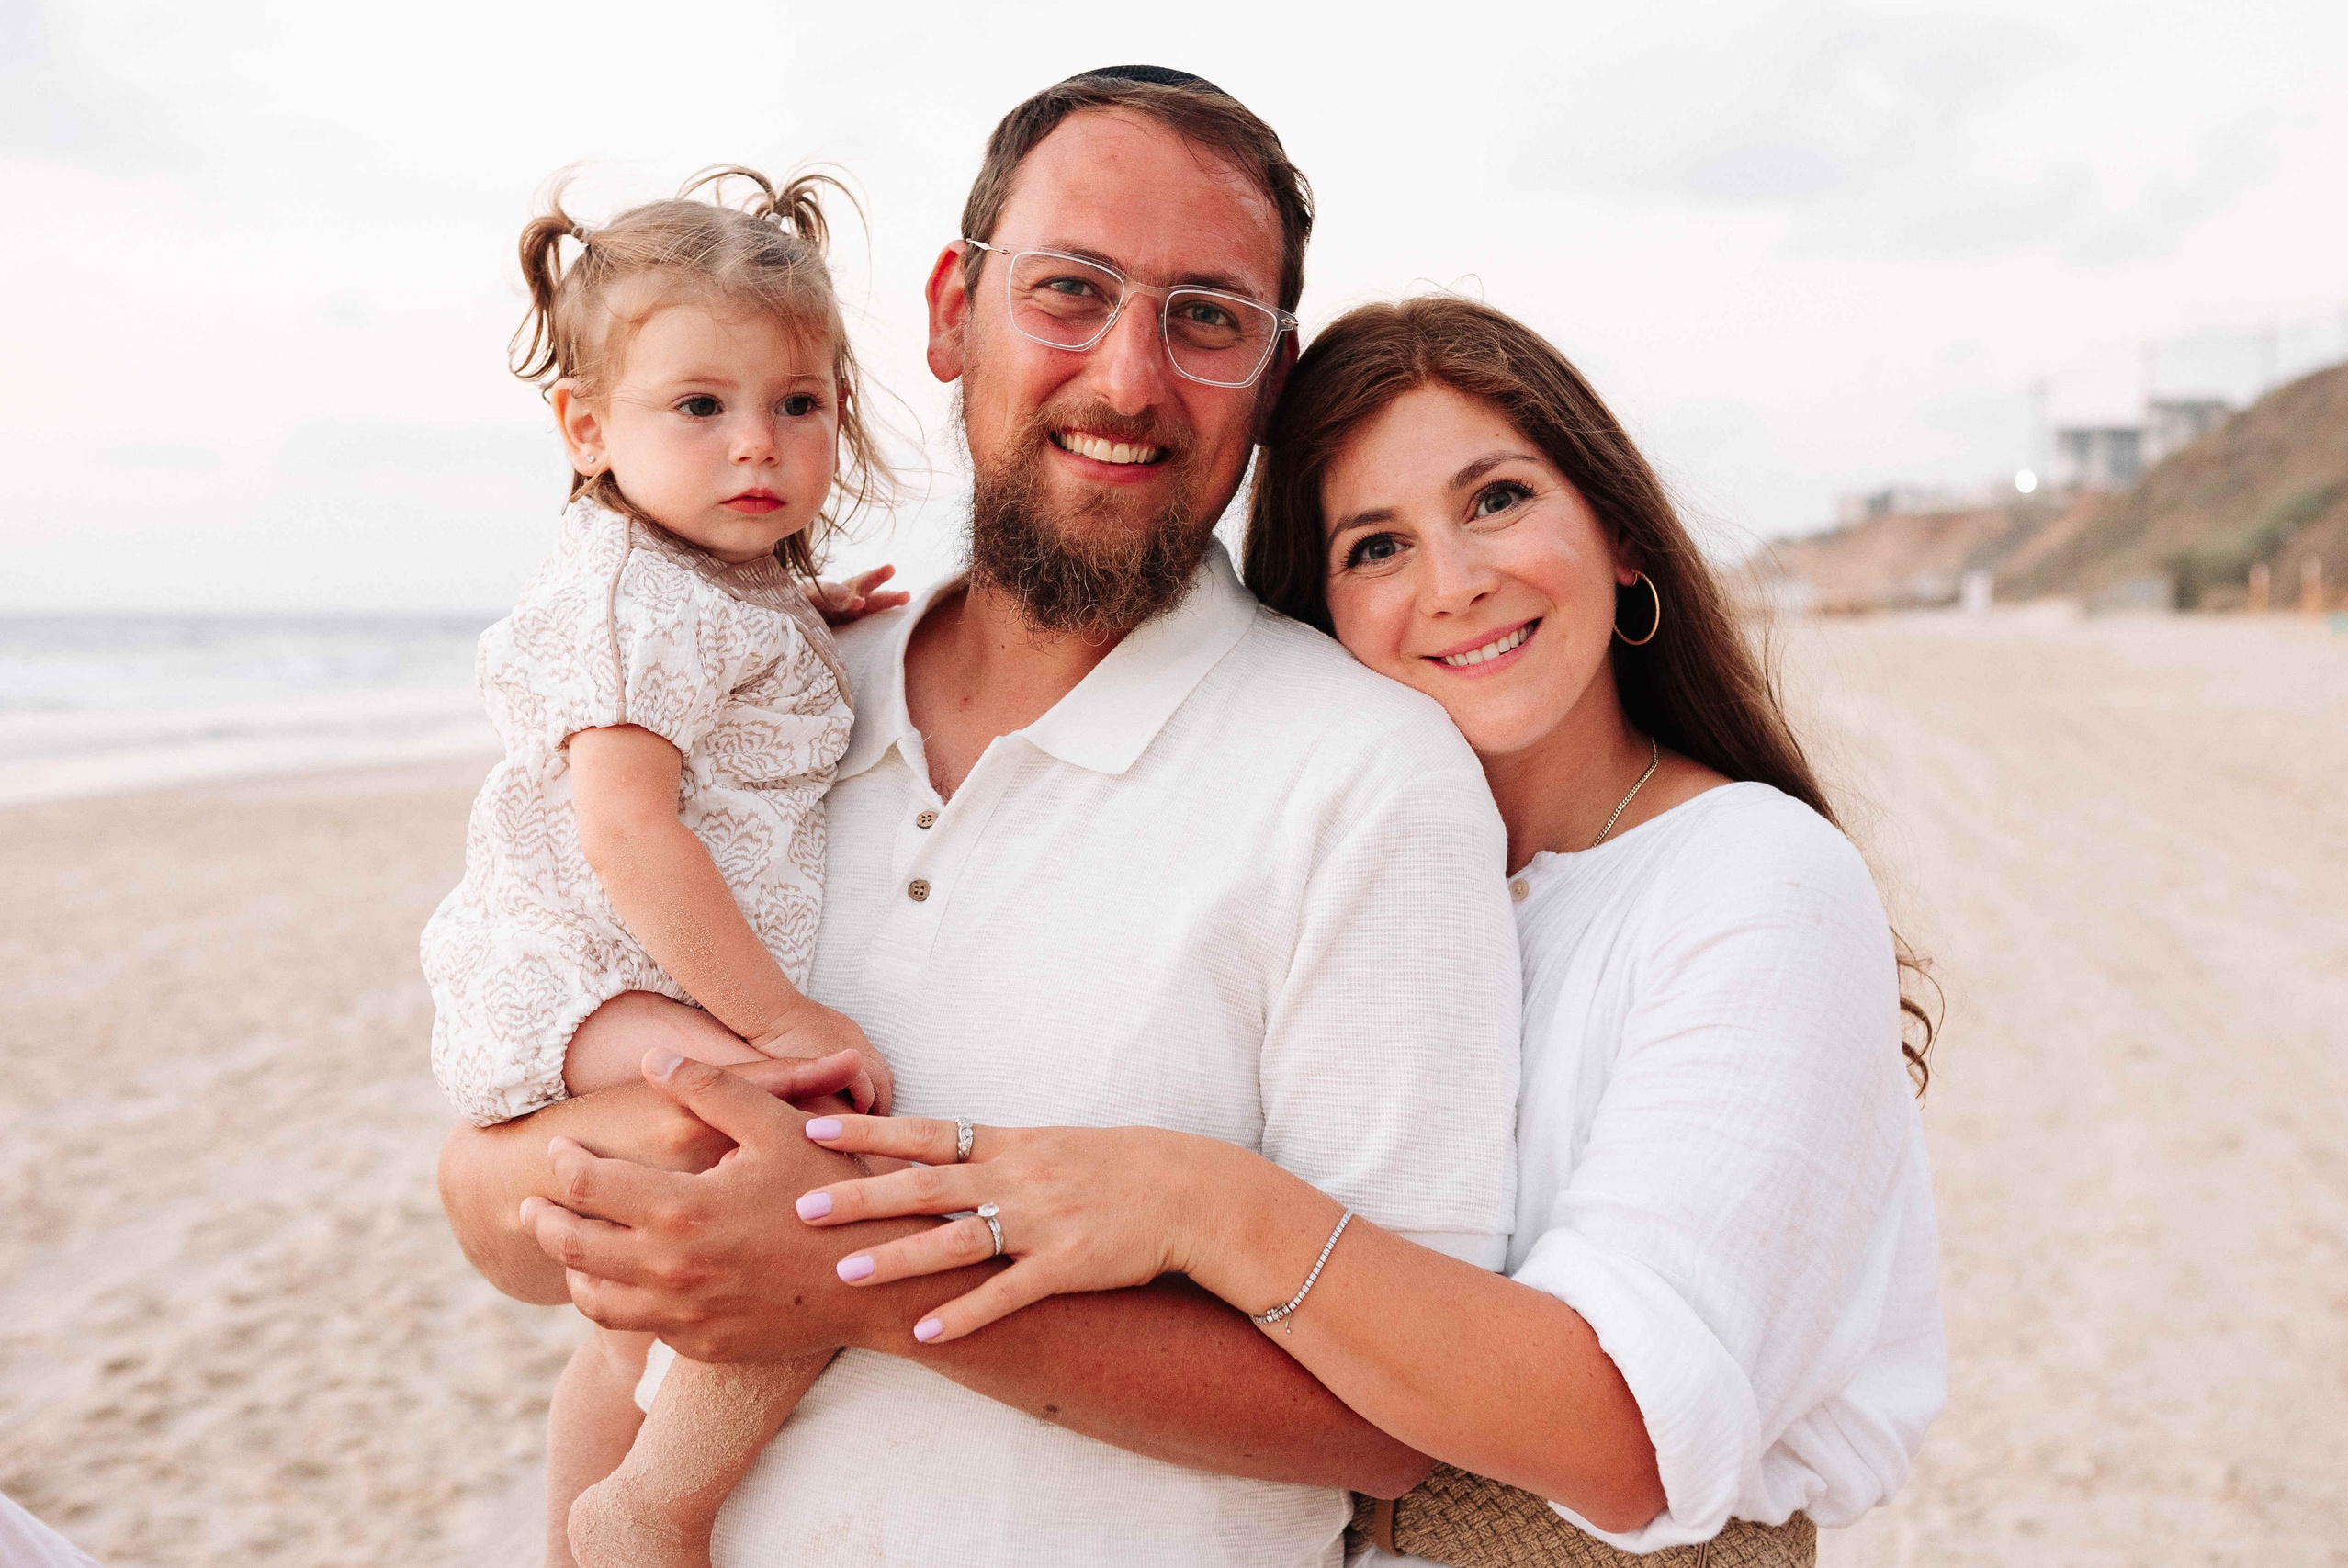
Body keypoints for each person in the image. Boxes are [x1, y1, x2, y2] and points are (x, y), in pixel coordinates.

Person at [439, 69, 1523, 1566]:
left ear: (1270, 384)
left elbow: (1405, 1409)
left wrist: (846, 1278)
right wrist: (634, 1190)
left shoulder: (1366, 777)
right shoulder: (774, 705)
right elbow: (486, 1203)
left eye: (1208, 317)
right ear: (952, 314)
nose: (1131, 377)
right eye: (1070, 290)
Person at [785, 298, 1947, 1564]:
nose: (1453, 585)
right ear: (1320, 611)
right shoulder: (1347, 864)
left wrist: (1201, 1205)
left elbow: (1624, 1429)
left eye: (1497, 501)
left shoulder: (1753, 881)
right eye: (1377, 547)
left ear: (1618, 534)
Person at [419, 166, 908, 1568]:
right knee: (787, 1154)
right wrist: (781, 1023)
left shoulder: (696, 579)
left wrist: (804, 612)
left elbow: (707, 666)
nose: (756, 444)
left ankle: (590, 1534)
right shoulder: (635, 606)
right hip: (582, 970)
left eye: (796, 404)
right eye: (698, 407)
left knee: (629, 1307)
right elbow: (629, 832)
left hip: (605, 963)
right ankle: (657, 1507)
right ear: (587, 428)